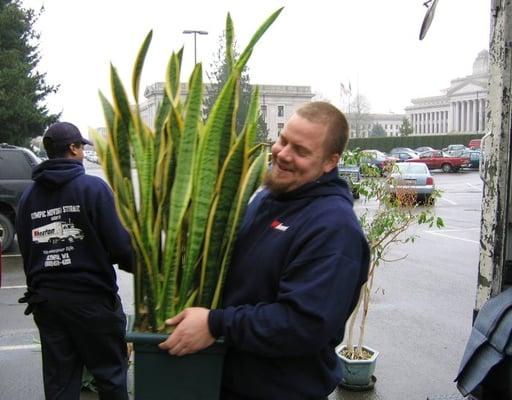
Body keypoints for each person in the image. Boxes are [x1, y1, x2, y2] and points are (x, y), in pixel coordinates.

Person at [159, 101, 370, 399]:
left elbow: (304, 325)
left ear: (330, 162)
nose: (283, 154)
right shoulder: (270, 197)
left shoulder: (333, 227)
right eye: (283, 140)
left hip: (279, 390)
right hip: (231, 379)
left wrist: (215, 323)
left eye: (301, 150)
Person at [16, 122, 133, 400]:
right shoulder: (93, 189)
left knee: (60, 386)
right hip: (92, 303)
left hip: (48, 304)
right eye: (81, 147)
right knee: (110, 378)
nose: (83, 153)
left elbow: (27, 251)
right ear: (73, 148)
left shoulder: (28, 197)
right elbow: (121, 248)